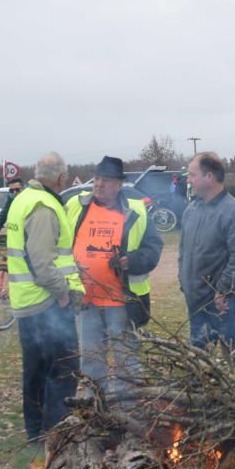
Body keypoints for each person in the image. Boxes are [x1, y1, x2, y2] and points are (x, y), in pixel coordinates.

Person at [67, 156, 163, 400]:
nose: (99, 184)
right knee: (91, 360)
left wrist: (131, 261)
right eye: (97, 178)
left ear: (119, 184)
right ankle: (95, 410)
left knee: (126, 361)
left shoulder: (136, 210)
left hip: (122, 303)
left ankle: (130, 411)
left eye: (106, 180)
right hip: (86, 301)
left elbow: (153, 248)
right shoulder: (76, 207)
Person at [6, 152, 84, 442]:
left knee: (35, 369)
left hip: (27, 302)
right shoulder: (45, 207)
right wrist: (63, 293)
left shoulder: (23, 199)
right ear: (61, 178)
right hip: (47, 304)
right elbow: (41, 263)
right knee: (64, 369)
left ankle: (35, 431)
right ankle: (56, 431)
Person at [179, 152, 235, 377]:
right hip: (196, 300)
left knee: (234, 357)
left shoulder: (233, 213)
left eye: (192, 175)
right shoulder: (191, 210)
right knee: (198, 360)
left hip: (223, 303)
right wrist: (184, 281)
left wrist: (223, 291)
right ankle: (202, 404)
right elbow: (184, 251)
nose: (188, 180)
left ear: (209, 176)